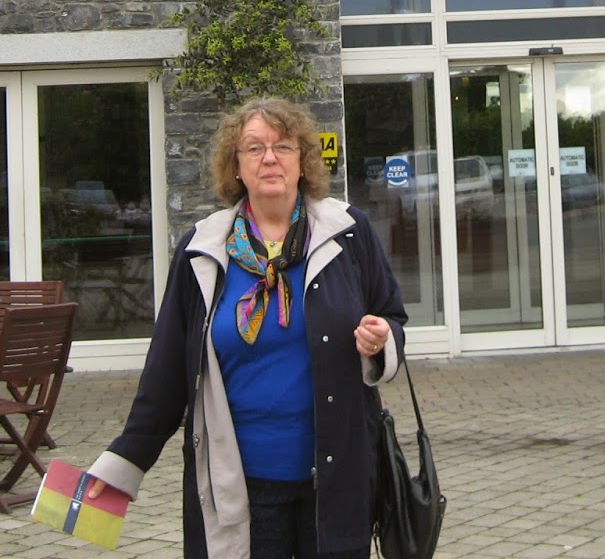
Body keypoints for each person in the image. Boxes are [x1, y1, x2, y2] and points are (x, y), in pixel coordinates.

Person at [85, 97, 407, 559]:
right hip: (238, 484)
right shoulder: (202, 249)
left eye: (283, 146)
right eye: (254, 148)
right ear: (236, 166)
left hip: (337, 480)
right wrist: (124, 462)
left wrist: (381, 340)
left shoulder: (349, 232)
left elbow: (392, 316)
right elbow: (167, 369)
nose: (269, 158)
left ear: (303, 161)